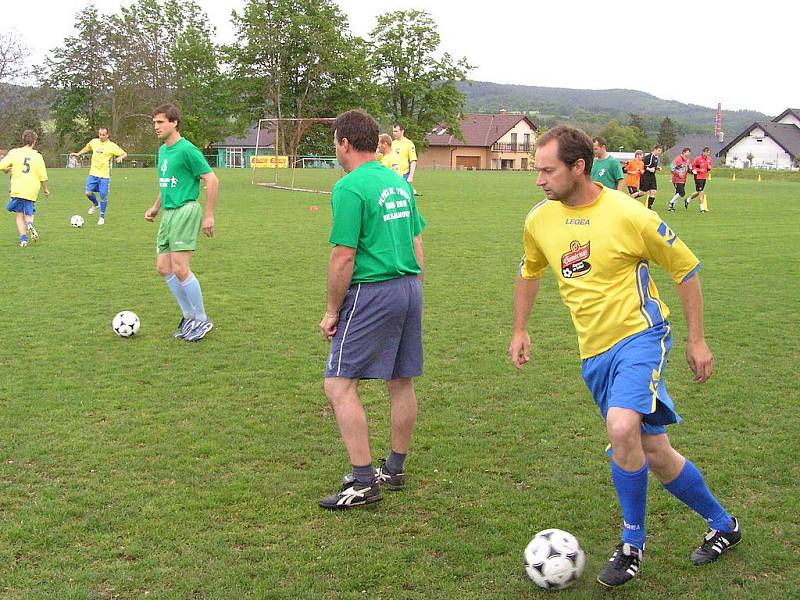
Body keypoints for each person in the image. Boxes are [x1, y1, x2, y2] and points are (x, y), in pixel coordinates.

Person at [509, 124, 741, 588]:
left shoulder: (628, 214)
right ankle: (724, 525)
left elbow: (686, 268)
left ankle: (631, 543)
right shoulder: (540, 219)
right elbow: (530, 270)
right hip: (593, 353)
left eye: (547, 170)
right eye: (537, 171)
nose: (539, 180)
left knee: (621, 427)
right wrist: (520, 328)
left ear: (579, 167)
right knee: (652, 450)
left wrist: (696, 341)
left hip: (641, 336)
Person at [319, 109, 426, 510]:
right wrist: (414, 290)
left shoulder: (349, 187)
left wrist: (332, 310)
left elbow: (343, 256)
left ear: (344, 143)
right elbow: (417, 243)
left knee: (338, 384)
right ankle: (394, 469)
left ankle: (364, 481)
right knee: (401, 381)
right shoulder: (396, 183)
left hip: (373, 290)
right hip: (408, 286)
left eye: (335, 142)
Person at [144, 104, 218, 342]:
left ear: (174, 122)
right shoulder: (163, 151)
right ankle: (189, 316)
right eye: (154, 123)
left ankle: (202, 319)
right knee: (163, 268)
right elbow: (166, 183)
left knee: (180, 268)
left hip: (186, 210)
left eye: (160, 122)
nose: (156, 127)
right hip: (169, 213)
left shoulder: (188, 150)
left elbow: (212, 179)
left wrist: (208, 215)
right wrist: (155, 207)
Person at [0, 130, 49, 247]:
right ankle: (30, 224)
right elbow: (43, 176)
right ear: (34, 142)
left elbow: (1, 165)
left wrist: (6, 169)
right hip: (32, 190)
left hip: (18, 189)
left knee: (19, 214)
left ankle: (23, 240)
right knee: (29, 212)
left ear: (23, 140)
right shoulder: (38, 156)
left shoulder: (14, 152)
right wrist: (46, 189)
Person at [70, 127, 127, 225]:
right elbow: (87, 148)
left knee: (103, 196)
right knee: (88, 193)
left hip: (104, 175)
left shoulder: (112, 146)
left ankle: (101, 217)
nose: (101, 136)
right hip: (93, 173)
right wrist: (78, 153)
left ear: (108, 135)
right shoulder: (94, 142)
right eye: (100, 134)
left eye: (103, 135)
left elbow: (124, 153)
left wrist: (120, 157)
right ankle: (96, 204)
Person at [688, 147, 712, 213]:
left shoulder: (709, 159)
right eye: (707, 152)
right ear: (703, 152)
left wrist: (709, 168)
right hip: (698, 177)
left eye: (708, 152)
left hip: (704, 177)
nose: (708, 153)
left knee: (698, 192)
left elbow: (709, 167)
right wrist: (699, 170)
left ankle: (688, 199)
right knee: (701, 192)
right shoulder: (698, 159)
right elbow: (693, 168)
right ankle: (702, 208)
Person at [639, 145, 662, 209]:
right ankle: (632, 197)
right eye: (658, 150)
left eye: (660, 151)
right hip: (646, 177)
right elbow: (641, 164)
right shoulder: (649, 157)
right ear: (654, 149)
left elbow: (653, 166)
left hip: (652, 177)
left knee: (653, 191)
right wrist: (649, 169)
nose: (659, 152)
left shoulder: (656, 158)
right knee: (642, 193)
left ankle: (649, 207)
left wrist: (657, 168)